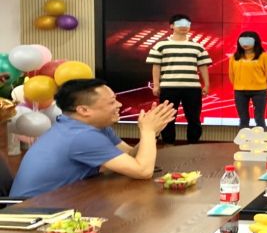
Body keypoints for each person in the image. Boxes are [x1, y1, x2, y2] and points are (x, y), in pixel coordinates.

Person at [10, 79, 176, 197]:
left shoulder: (93, 127)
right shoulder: (80, 136)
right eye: (112, 102)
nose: (119, 105)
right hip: (32, 213)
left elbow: (129, 157)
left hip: (67, 200)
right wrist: (148, 131)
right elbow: (142, 171)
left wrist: (153, 132)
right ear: (83, 110)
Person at [147, 14, 212, 144]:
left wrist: (207, 84)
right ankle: (168, 145)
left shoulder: (197, 46)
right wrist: (156, 85)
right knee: (168, 118)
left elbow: (203, 66)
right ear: (171, 26)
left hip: (192, 88)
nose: (183, 27)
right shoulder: (161, 45)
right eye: (180, 24)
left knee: (194, 118)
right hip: (169, 87)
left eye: (187, 24)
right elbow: (156, 66)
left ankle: (193, 144)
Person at [229, 31, 267, 129]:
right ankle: (243, 137)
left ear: (255, 41)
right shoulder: (234, 57)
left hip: (259, 91)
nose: (245, 44)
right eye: (242, 41)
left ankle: (261, 137)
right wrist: (237, 85)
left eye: (248, 41)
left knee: (259, 118)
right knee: (243, 119)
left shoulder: (264, 56)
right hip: (240, 91)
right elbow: (231, 74)